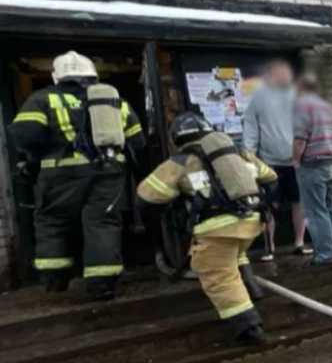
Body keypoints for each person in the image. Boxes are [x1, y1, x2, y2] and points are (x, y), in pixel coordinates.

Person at [7, 51, 144, 298]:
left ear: (57, 77)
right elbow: (138, 141)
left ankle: (54, 280)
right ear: (93, 75)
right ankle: (101, 285)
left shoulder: (42, 99)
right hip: (107, 172)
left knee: (51, 221)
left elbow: (24, 135)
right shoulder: (115, 101)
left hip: (59, 174)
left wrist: (37, 156)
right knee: (102, 223)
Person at [136, 111, 277, 345]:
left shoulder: (179, 161)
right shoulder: (238, 152)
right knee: (233, 252)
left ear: (176, 138)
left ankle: (249, 328)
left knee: (217, 273)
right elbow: (271, 178)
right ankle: (252, 288)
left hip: (216, 228)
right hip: (252, 222)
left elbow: (147, 196)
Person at [242, 59, 307, 260]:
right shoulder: (258, 98)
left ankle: (299, 242)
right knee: (269, 205)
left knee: (299, 203)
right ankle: (270, 248)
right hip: (269, 163)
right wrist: (248, 153)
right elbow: (251, 126)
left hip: (296, 161)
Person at [292, 73, 332, 266]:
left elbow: (299, 140)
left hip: (313, 164)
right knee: (331, 207)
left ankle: (326, 254)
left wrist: (296, 161)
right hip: (331, 162)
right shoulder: (328, 107)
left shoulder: (302, 107)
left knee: (315, 211)